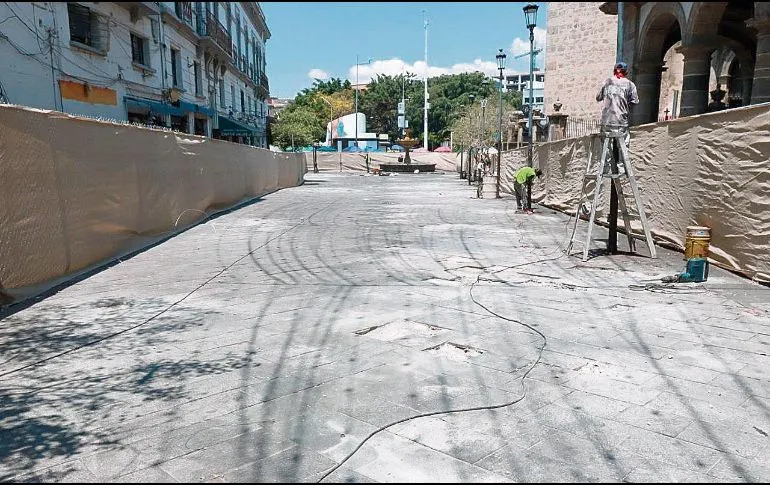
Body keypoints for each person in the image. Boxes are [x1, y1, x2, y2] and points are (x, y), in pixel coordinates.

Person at [596, 61, 639, 173]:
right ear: (626, 72)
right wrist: (624, 104)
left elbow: (598, 97)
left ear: (614, 70)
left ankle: (606, 167)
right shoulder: (630, 84)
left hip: (607, 120)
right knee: (623, 144)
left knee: (606, 144)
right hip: (621, 120)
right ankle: (622, 167)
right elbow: (634, 101)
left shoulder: (607, 82)